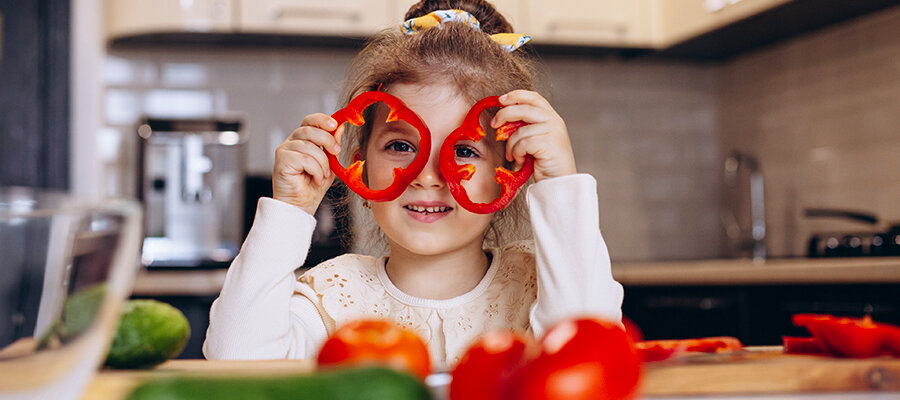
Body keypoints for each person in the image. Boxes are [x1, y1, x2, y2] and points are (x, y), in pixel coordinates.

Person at [203, 0, 624, 370]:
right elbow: (237, 361)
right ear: (360, 165)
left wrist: (560, 186)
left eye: (464, 151)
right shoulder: (333, 297)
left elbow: (591, 354)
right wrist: (289, 211)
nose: (426, 175)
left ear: (508, 177)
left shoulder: (540, 290)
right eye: (402, 145)